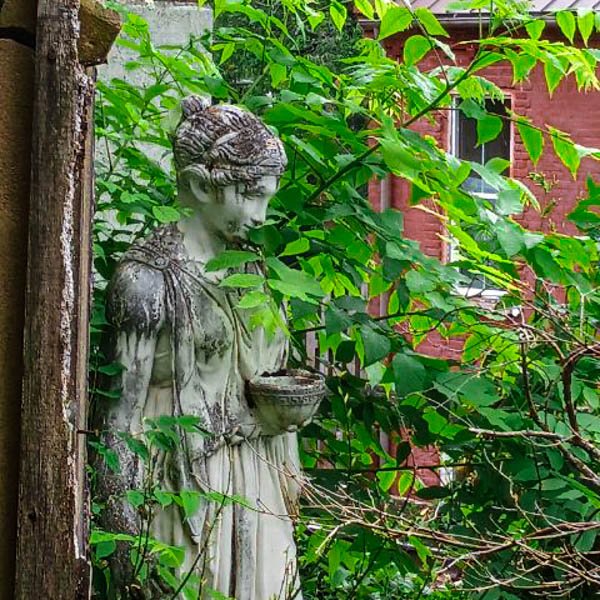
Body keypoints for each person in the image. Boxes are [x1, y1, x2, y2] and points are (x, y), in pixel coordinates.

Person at [96, 96, 302, 599]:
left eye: (268, 197)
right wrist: (125, 545)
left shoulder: (253, 271)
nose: (261, 214)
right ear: (197, 184)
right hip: (179, 489)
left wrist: (283, 413)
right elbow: (117, 423)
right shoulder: (145, 282)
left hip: (257, 477)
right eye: (249, 194)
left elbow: (270, 380)